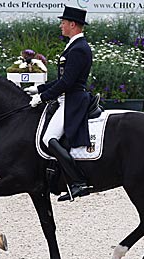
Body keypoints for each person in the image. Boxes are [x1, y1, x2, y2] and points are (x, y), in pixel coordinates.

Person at [24, 6, 93, 202]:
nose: (60, 25)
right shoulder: (74, 45)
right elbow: (63, 79)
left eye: (63, 22)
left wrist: (43, 97)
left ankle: (78, 181)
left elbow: (67, 83)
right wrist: (39, 89)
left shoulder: (79, 48)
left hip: (73, 100)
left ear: (73, 24)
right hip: (68, 97)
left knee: (48, 138)